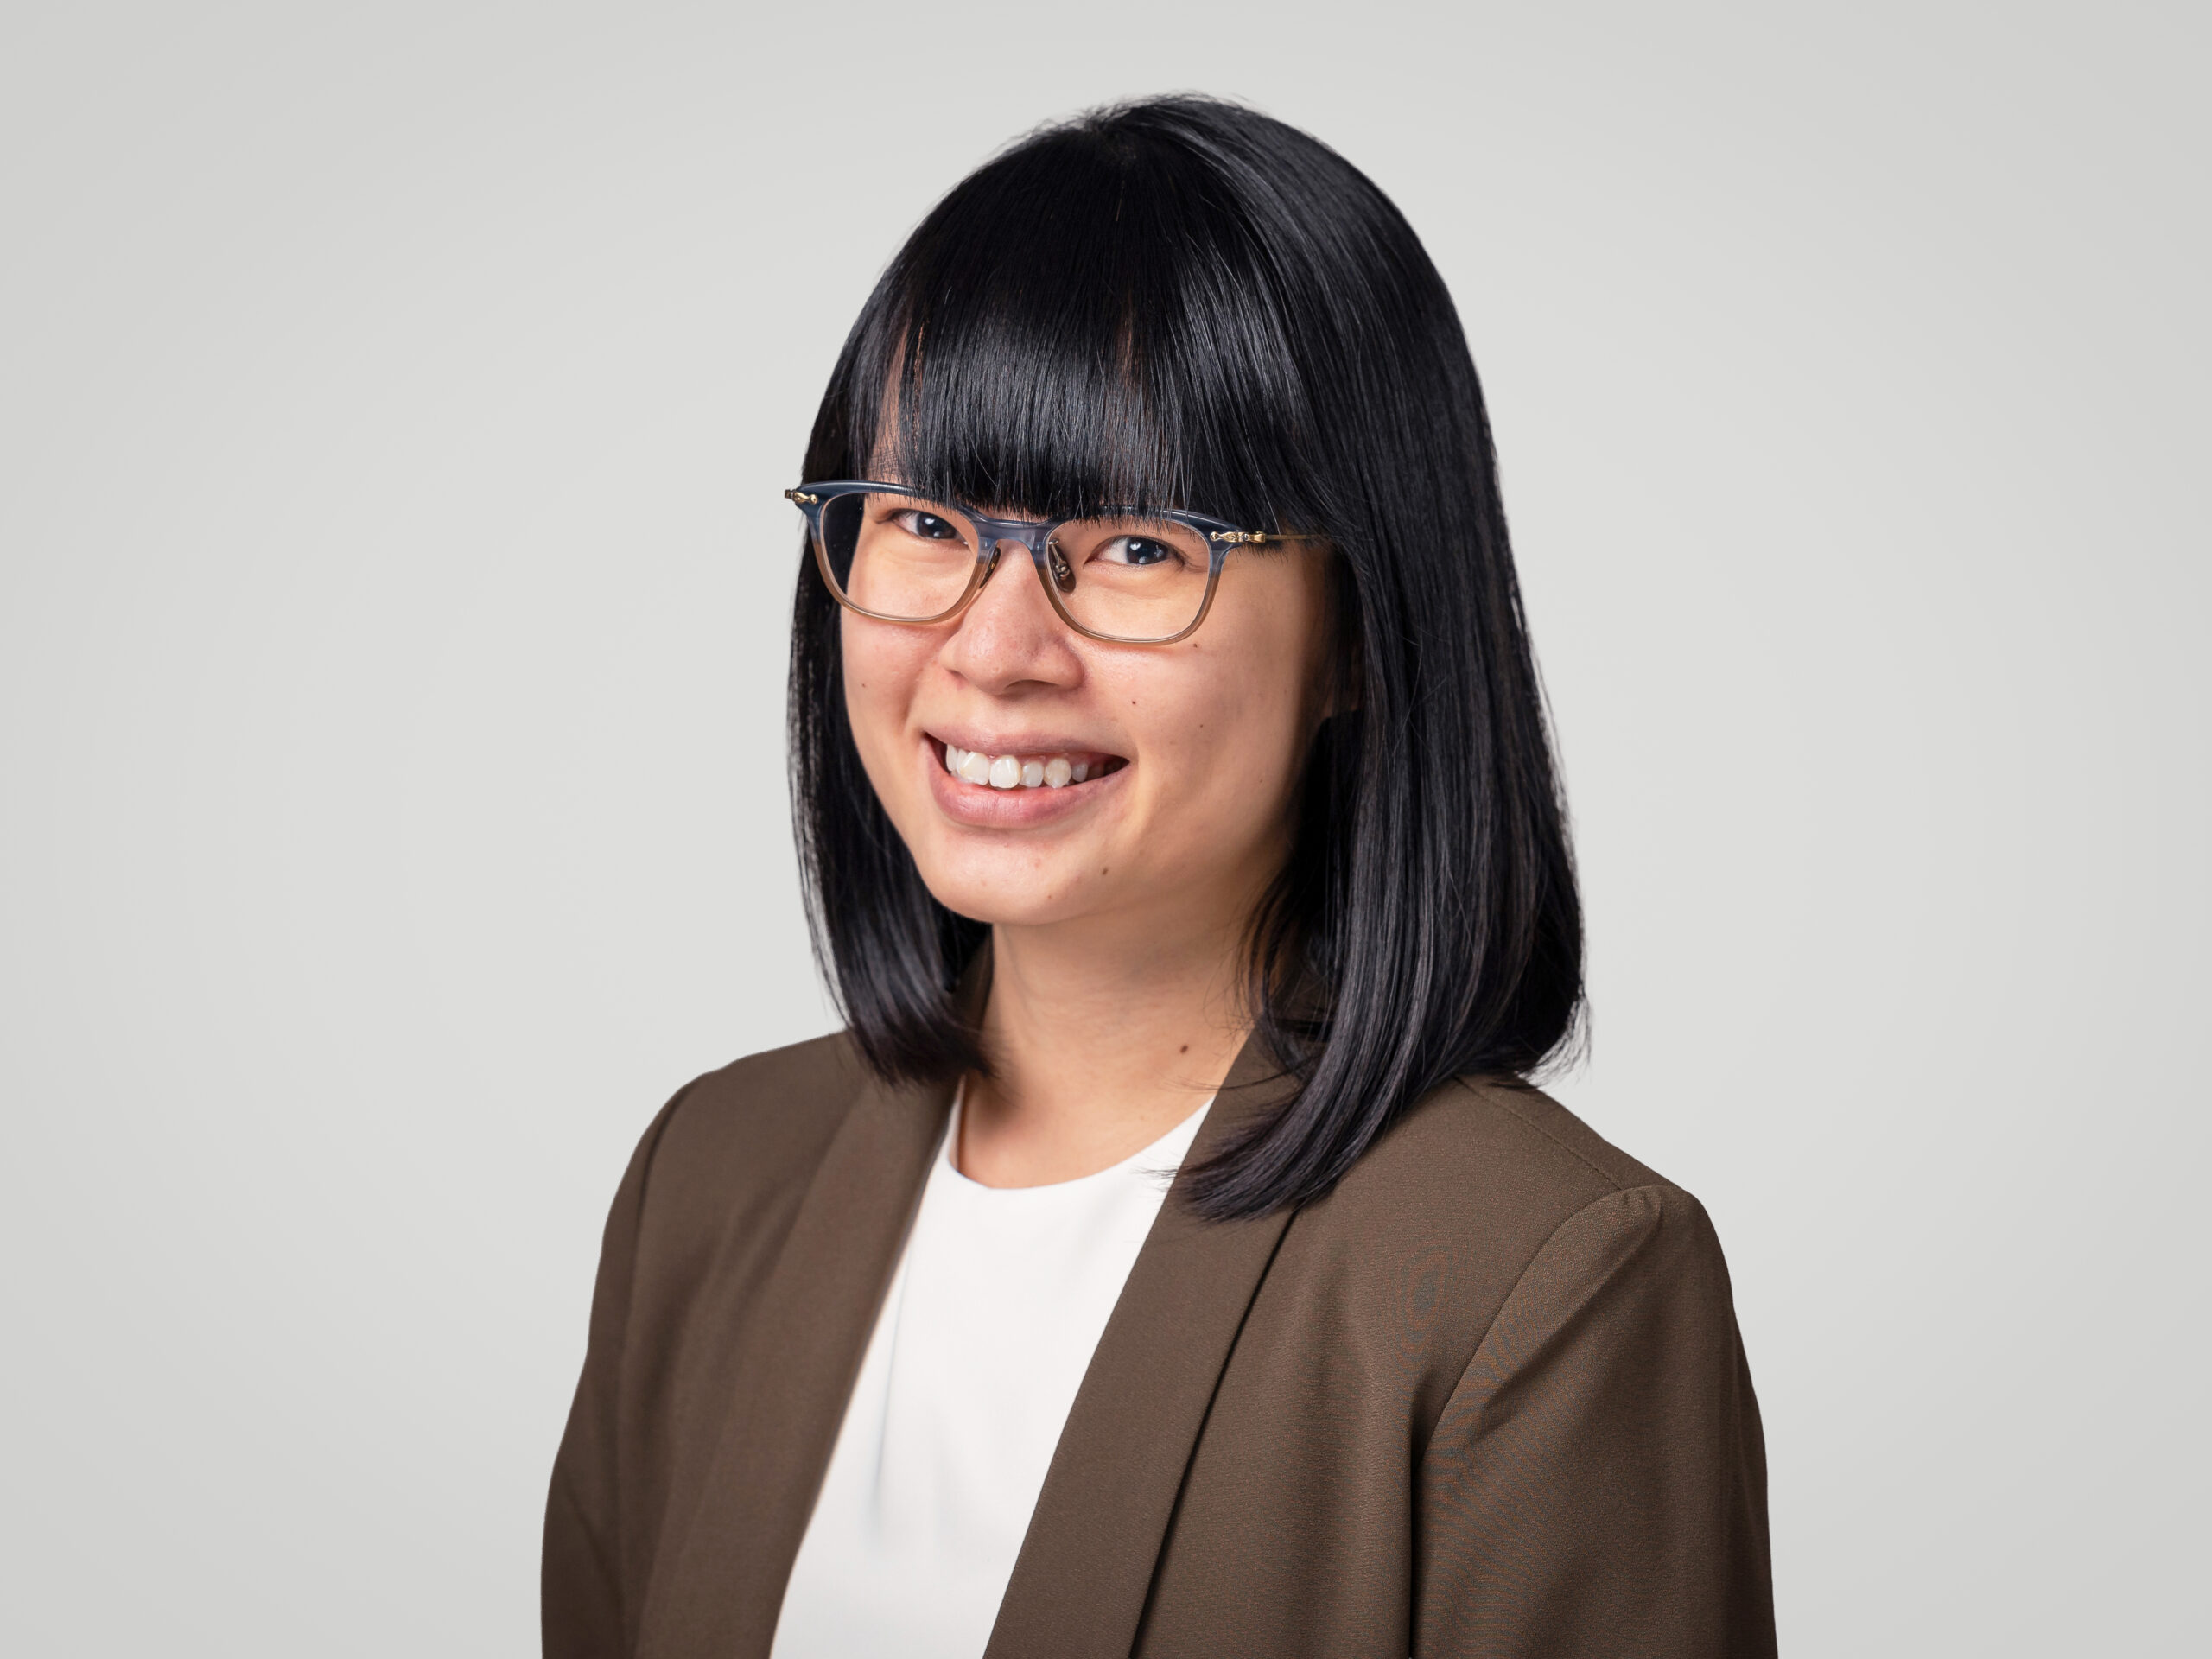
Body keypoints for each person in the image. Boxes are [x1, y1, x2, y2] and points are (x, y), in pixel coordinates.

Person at [543, 96, 1775, 1659]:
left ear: (1359, 631)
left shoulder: (1539, 1278)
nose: (996, 648)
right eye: (922, 521)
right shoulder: (710, 1180)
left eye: (1137, 546)